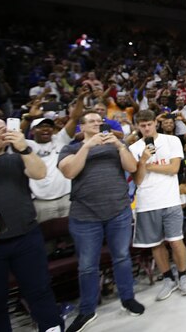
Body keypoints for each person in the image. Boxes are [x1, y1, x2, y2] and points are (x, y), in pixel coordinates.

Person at [0, 118, 64, 332]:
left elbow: (39, 173)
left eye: (4, 129)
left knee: (40, 290)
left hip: (26, 235)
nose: (0, 133)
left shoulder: (15, 158)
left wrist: (24, 148)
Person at [58, 110, 144, 331]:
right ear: (82, 127)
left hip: (118, 211)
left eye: (100, 121)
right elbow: (69, 172)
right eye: (92, 122)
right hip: (85, 217)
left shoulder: (116, 145)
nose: (98, 124)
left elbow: (132, 168)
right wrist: (87, 146)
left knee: (122, 257)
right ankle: (87, 310)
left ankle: (128, 298)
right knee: (87, 266)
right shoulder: (71, 148)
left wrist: (118, 145)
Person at [129, 110, 186, 301]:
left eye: (149, 124)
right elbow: (138, 180)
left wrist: (147, 166)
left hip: (170, 199)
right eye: (142, 125)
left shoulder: (172, 141)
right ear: (137, 127)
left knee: (176, 240)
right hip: (146, 202)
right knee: (156, 244)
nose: (146, 128)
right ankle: (168, 278)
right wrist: (142, 160)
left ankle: (183, 276)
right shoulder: (134, 148)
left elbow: (174, 169)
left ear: (155, 123)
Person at [25, 90, 85, 223]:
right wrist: (29, 117)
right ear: (33, 131)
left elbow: (75, 118)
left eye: (49, 126)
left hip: (67, 198)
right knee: (48, 240)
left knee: (72, 237)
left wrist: (80, 98)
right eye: (41, 127)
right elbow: (13, 135)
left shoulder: (60, 140)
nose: (46, 129)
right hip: (42, 203)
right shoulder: (26, 146)